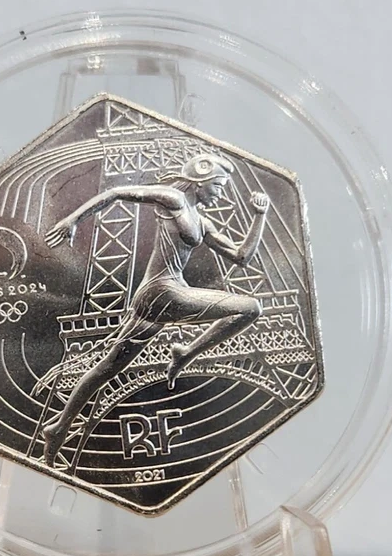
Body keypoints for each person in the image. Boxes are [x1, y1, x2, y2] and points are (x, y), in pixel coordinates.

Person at [41, 153, 269, 465]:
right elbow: (116, 192)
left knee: (108, 368)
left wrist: (260, 216)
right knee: (251, 307)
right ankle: (186, 354)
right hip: (163, 292)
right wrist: (73, 220)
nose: (220, 194)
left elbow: (242, 257)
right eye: (218, 186)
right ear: (199, 180)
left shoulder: (203, 222)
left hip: (162, 297)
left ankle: (59, 427)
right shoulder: (174, 199)